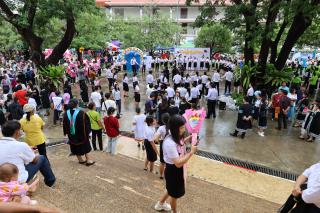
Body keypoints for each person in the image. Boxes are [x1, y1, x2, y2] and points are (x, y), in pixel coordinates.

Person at [154, 115, 197, 213]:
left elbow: (180, 144)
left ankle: (160, 204)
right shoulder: (170, 143)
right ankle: (174, 212)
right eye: (181, 127)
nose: (184, 129)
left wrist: (188, 139)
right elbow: (177, 163)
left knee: (171, 190)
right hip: (173, 171)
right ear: (175, 128)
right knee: (174, 196)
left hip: (175, 169)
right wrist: (191, 152)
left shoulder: (174, 135)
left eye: (184, 126)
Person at [0, 121, 56, 186]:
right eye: (20, 130)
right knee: (41, 158)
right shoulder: (21, 145)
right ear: (17, 132)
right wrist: (31, 152)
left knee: (22, 158)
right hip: (18, 180)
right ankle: (50, 180)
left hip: (3, 179)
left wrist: (27, 150)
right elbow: (35, 161)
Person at [63, 99, 95, 166]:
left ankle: (80, 160)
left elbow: (64, 124)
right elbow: (86, 124)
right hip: (81, 135)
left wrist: (66, 132)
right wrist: (89, 132)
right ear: (77, 105)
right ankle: (88, 160)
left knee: (74, 146)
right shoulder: (82, 113)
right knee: (85, 145)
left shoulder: (66, 113)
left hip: (72, 134)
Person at [153, 113, 170, 179]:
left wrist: (159, 141)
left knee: (162, 162)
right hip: (171, 146)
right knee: (169, 162)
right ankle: (168, 176)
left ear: (163, 121)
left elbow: (155, 139)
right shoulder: (173, 126)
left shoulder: (161, 128)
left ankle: (161, 175)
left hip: (163, 145)